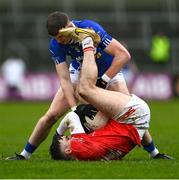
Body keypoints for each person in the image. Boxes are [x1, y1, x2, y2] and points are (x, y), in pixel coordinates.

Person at [6, 12, 166, 160]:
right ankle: (24, 155)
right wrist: (74, 109)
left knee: (129, 114)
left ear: (68, 26)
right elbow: (65, 79)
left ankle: (154, 153)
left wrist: (104, 80)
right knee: (51, 115)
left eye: (60, 37)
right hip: (80, 73)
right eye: (55, 38)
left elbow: (124, 55)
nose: (59, 41)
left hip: (109, 72)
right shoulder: (55, 44)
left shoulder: (90, 28)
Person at [49, 37, 173, 160]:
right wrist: (58, 134)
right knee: (84, 91)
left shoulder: (89, 157)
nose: (68, 136)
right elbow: (71, 117)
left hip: (133, 123)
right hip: (134, 112)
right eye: (66, 139)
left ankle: (154, 153)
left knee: (90, 112)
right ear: (68, 149)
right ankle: (88, 45)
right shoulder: (77, 146)